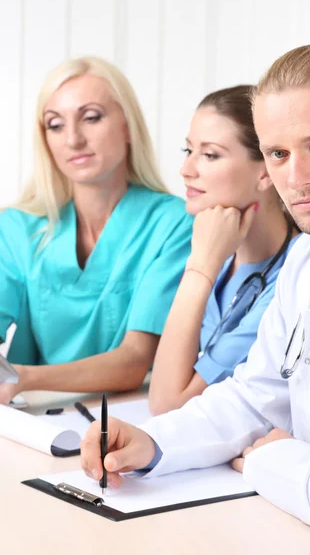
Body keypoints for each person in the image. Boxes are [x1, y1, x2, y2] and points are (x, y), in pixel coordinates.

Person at [81, 45, 310, 555]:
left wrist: (273, 459)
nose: (297, 178)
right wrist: (155, 442)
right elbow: (255, 394)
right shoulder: (309, 254)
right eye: (279, 153)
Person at [0, 56, 192, 404]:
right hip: (33, 420)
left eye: (91, 118)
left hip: (129, 419)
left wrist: (24, 377)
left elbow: (135, 359)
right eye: (55, 125)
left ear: (128, 126)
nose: (73, 139)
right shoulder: (16, 227)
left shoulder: (173, 224)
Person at [148, 86, 300, 414]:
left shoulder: (296, 273)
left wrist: (200, 267)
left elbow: (167, 404)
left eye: (210, 154)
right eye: (187, 150)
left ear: (265, 171)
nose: (186, 170)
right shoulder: (217, 248)